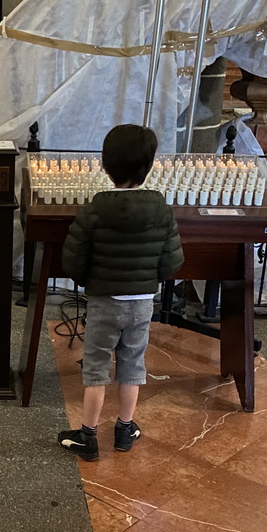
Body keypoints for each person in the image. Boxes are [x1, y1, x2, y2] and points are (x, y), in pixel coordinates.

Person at [57, 124, 183, 462]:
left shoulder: (94, 211)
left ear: (105, 165)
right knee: (132, 365)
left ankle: (87, 436)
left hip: (103, 302)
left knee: (96, 367)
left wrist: (91, 280)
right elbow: (172, 262)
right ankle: (125, 429)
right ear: (150, 165)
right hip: (141, 302)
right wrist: (146, 280)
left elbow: (72, 260)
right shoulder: (161, 210)